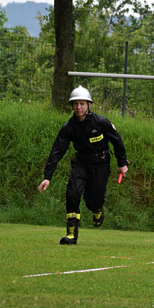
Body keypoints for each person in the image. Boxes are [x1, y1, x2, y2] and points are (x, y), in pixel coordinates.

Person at [38, 86, 129, 245]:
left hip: (101, 164)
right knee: (72, 193)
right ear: (72, 106)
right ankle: (71, 234)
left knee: (92, 201)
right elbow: (57, 151)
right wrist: (47, 177)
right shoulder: (68, 127)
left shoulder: (102, 122)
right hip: (80, 164)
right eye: (75, 104)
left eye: (82, 103)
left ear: (89, 104)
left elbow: (117, 142)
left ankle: (98, 209)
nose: (78, 107)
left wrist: (122, 164)